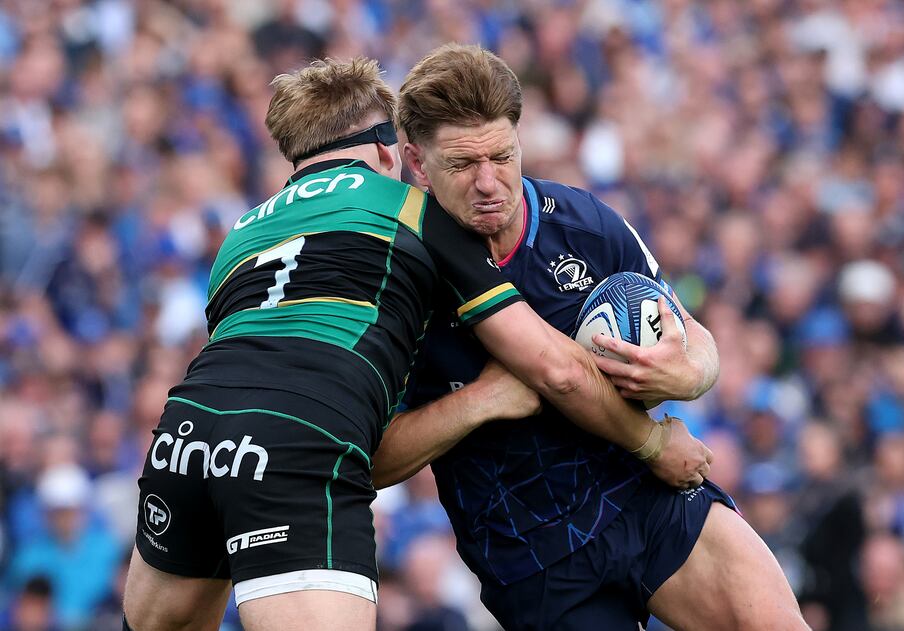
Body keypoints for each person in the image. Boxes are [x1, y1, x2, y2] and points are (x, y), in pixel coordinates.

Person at [122, 57, 711, 631]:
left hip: (184, 436)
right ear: (387, 150)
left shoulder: (239, 235)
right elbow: (555, 369)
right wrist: (653, 442)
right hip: (299, 442)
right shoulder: (412, 209)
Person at [373, 44, 809, 630]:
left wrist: (690, 373)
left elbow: (692, 332)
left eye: (502, 156)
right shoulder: (393, 283)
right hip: (535, 557)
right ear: (417, 164)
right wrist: (479, 401)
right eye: (461, 165)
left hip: (647, 494)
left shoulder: (583, 223)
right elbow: (370, 462)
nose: (488, 183)